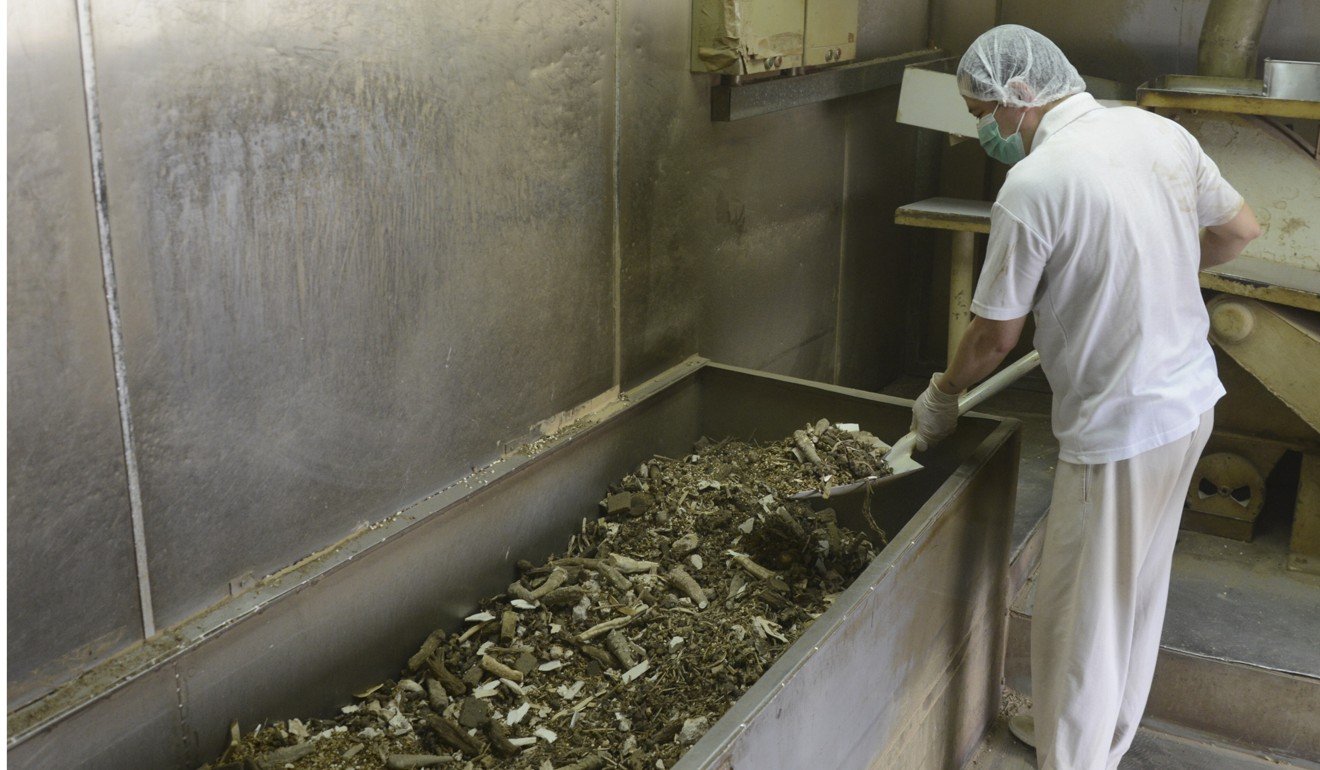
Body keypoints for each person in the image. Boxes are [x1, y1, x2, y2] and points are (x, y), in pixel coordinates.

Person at [908, 24, 1261, 770]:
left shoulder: (1034, 185)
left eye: (981, 113)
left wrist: (942, 395)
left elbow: (994, 337)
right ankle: (1102, 736)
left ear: (1021, 96)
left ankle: (1072, 758)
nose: (980, 131)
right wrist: (1152, 265)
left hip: (1123, 427)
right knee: (1135, 593)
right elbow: (1239, 230)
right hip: (1192, 401)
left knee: (1078, 614)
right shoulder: (1153, 132)